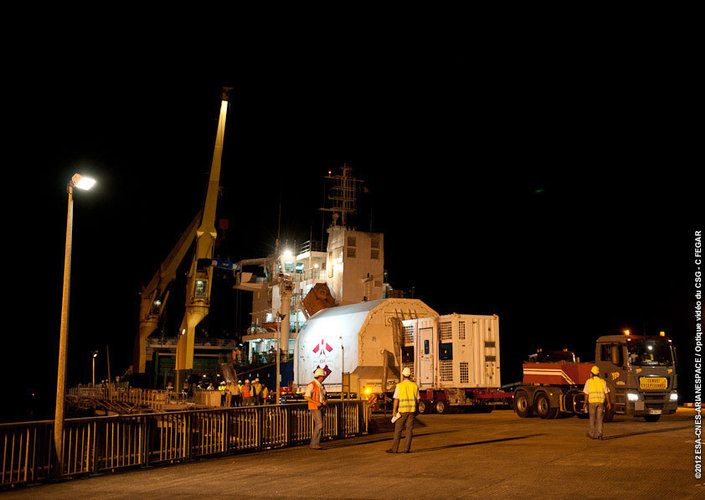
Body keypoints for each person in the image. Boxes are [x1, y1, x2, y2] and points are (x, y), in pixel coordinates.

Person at [387, 367, 420, 454]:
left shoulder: (399, 386)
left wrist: (394, 411)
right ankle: (407, 449)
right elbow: (418, 400)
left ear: (402, 375)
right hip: (411, 411)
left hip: (402, 411)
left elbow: (396, 399)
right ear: (410, 375)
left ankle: (394, 449)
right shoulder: (415, 386)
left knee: (398, 430)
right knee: (409, 430)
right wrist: (416, 409)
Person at [583, 365, 611, 439]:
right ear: (599, 373)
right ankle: (600, 434)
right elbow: (606, 393)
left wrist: (585, 403)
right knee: (600, 419)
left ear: (591, 373)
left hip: (592, 402)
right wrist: (608, 402)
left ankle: (591, 434)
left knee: (592, 418)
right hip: (601, 402)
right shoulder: (603, 381)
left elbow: (586, 394)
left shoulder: (589, 381)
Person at [304, 368, 328, 450]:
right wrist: (316, 402)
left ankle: (316, 443)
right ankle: (314, 444)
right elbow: (306, 397)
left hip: (320, 407)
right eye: (323, 376)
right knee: (319, 424)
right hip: (314, 407)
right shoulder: (312, 385)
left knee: (320, 425)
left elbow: (325, 396)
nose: (324, 378)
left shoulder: (321, 385)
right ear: (320, 376)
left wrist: (324, 401)